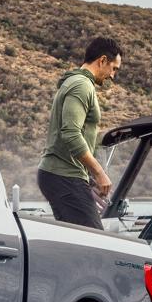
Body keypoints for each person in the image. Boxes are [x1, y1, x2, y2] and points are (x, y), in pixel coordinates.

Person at [37, 37, 121, 228]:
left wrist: (89, 179)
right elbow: (71, 134)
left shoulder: (77, 83)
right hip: (63, 175)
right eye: (114, 68)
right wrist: (99, 172)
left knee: (79, 241)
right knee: (94, 241)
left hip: (65, 174)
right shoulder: (81, 85)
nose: (113, 76)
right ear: (102, 61)